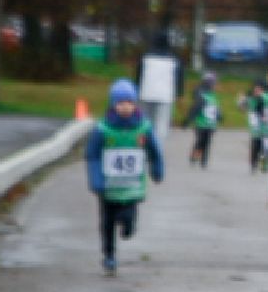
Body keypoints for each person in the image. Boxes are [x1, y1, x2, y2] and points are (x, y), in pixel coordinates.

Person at [84, 79, 164, 275]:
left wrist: (157, 168)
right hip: (108, 187)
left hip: (131, 185)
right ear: (113, 104)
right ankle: (109, 255)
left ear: (135, 103)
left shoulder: (143, 128)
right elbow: (92, 155)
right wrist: (96, 179)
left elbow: (155, 151)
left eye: (129, 102)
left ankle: (129, 225)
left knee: (127, 217)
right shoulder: (103, 129)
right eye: (120, 103)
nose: (125, 107)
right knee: (108, 222)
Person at [134, 32, 184, 151]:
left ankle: (143, 147)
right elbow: (179, 78)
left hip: (146, 93)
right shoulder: (173, 59)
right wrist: (179, 94)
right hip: (165, 95)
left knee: (145, 122)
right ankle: (157, 148)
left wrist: (136, 90)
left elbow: (138, 76)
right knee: (162, 124)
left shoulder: (146, 57)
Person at [183, 72, 221, 169]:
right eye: (213, 83)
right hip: (201, 123)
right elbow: (195, 108)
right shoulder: (201, 95)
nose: (214, 85)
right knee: (200, 140)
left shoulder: (212, 95)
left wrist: (219, 116)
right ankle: (195, 155)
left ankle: (204, 159)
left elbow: (216, 107)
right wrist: (188, 120)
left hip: (211, 124)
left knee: (207, 141)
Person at [237, 75, 268, 174]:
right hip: (255, 128)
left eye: (260, 89)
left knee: (266, 147)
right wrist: (241, 101)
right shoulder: (250, 98)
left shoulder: (267, 99)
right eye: (256, 89)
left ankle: (264, 163)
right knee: (255, 145)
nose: (257, 91)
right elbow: (242, 109)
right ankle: (253, 164)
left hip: (267, 127)